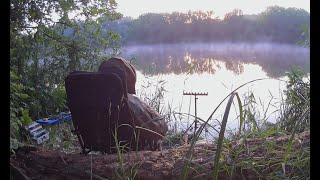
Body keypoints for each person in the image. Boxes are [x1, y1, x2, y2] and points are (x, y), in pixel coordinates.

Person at [98, 57, 168, 149]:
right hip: (126, 144)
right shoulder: (130, 102)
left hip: (98, 142)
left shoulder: (94, 98)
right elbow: (157, 128)